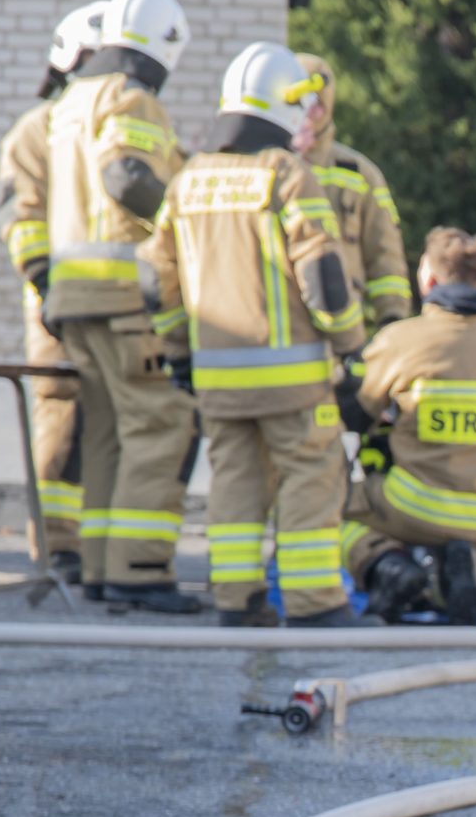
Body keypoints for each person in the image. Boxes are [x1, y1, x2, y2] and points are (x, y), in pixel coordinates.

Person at [138, 43, 367, 628]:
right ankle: (317, 606)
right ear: (284, 107)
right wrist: (350, 346)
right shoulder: (284, 174)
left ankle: (238, 602)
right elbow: (322, 273)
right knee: (309, 478)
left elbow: (153, 276)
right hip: (291, 379)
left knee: (234, 482)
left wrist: (177, 349)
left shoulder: (188, 179)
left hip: (217, 377)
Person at [43, 0, 201, 612]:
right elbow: (125, 176)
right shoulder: (131, 99)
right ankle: (141, 571)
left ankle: (103, 567)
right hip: (125, 302)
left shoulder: (70, 103)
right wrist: (184, 219)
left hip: (75, 301)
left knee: (106, 433)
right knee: (160, 425)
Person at [340, 227, 476, 624]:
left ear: (429, 278)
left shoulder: (402, 339)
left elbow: (356, 414)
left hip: (412, 503)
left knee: (321, 507)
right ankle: (472, 570)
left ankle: (385, 564)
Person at [0, 1, 102, 577]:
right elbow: (21, 220)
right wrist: (51, 290)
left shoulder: (126, 124)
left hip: (121, 310)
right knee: (63, 423)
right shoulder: (35, 132)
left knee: (114, 428)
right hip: (59, 310)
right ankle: (57, 546)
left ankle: (107, 549)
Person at [291, 54, 413, 329]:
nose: (311, 115)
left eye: (319, 106)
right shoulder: (267, 167)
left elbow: (385, 252)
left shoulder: (359, 172)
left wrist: (392, 319)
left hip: (346, 324)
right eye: (304, 104)